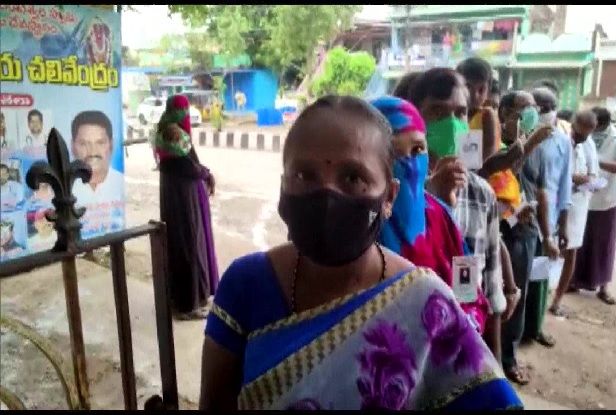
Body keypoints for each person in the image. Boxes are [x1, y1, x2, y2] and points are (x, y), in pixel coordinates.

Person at [199, 95, 522, 410]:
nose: (326, 196)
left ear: (388, 197)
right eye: (304, 175)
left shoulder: (426, 299)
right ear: (283, 186)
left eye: (353, 177)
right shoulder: (247, 285)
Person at [408, 68, 510, 361]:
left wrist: (495, 365)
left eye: (460, 113)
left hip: (465, 340)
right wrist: (431, 198)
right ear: (417, 118)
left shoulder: (481, 194)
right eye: (438, 112)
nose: (452, 123)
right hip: (414, 344)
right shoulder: (398, 191)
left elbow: (490, 286)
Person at [369, 95, 466, 302]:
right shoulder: (359, 227)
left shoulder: (441, 216)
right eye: (394, 153)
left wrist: (467, 315)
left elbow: (468, 287)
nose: (411, 165)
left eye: (418, 149)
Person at [497, 90, 553, 385]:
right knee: (499, 296)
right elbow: (503, 173)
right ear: (505, 112)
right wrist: (529, 144)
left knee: (521, 294)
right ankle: (495, 357)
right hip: (501, 231)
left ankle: (509, 355)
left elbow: (541, 191)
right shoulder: (495, 143)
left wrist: (548, 233)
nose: (531, 113)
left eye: (534, 108)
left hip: (528, 231)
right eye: (524, 108)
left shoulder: (539, 146)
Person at [156, 94, 219, 320]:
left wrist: (203, 172)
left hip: (178, 195)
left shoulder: (164, 129)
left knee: (185, 243)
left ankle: (190, 298)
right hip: (182, 198)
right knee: (188, 244)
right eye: (183, 109)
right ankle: (187, 305)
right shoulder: (172, 133)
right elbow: (185, 166)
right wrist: (205, 173)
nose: (186, 114)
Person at [521, 87, 573, 349]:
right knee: (519, 279)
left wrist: (561, 226)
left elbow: (564, 186)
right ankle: (518, 329)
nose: (544, 112)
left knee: (538, 278)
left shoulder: (562, 142)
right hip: (521, 220)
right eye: (539, 107)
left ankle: (534, 327)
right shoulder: (520, 136)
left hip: (547, 224)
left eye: (549, 107)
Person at [570, 107, 616, 305]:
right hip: (586, 197)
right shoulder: (584, 136)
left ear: (601, 124)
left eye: (594, 126)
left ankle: (603, 287)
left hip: (609, 199)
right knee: (581, 242)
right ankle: (575, 281)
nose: (591, 130)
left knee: (605, 244)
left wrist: (596, 161)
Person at [549, 110, 599, 316]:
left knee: (571, 252)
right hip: (554, 203)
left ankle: (557, 300)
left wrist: (587, 181)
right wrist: (572, 178)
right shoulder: (558, 139)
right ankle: (540, 294)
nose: (581, 139)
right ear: (573, 124)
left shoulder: (589, 145)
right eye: (579, 134)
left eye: (586, 135)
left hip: (578, 205)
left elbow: (593, 174)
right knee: (548, 249)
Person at [456, 57, 501, 159]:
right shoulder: (451, 114)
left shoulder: (486, 116)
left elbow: (489, 158)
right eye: (468, 87)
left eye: (481, 90)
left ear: (488, 91)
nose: (475, 95)